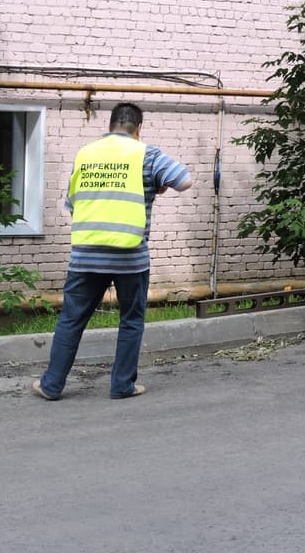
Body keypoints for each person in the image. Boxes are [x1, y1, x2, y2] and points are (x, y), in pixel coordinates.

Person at [33, 102, 193, 400]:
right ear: (138, 128)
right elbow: (184, 180)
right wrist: (160, 184)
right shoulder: (147, 154)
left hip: (86, 254)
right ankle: (122, 385)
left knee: (71, 320)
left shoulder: (85, 154)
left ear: (110, 126)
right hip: (130, 257)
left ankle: (51, 385)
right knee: (131, 321)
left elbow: (72, 203)